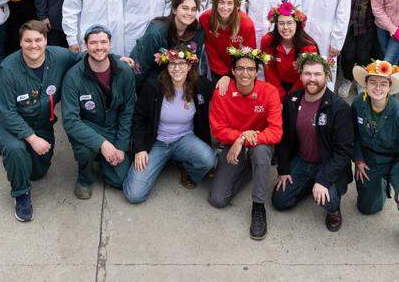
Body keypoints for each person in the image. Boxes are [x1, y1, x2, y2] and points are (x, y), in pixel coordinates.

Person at [0, 21, 84, 222]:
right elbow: (7, 113)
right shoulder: (7, 68)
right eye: (28, 40)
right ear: (20, 43)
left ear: (46, 41)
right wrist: (32, 139)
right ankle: (21, 195)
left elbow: (89, 57)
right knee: (16, 150)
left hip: (40, 119)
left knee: (37, 172)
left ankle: (2, 144)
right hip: (8, 118)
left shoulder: (58, 56)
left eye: (38, 40)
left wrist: (117, 60)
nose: (34, 45)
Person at [123, 45, 217, 203]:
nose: (177, 68)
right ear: (166, 66)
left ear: (189, 66)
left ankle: (186, 167)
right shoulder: (153, 86)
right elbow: (138, 118)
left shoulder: (200, 85)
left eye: (182, 63)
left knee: (208, 160)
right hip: (157, 142)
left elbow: (224, 92)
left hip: (185, 139)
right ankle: (160, 162)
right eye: (172, 63)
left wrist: (227, 79)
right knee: (134, 195)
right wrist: (139, 149)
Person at [208, 45, 283, 240]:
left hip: (259, 144)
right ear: (232, 71)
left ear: (257, 72)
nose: (245, 73)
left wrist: (246, 138)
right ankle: (253, 169)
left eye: (250, 69)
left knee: (260, 153)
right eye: (240, 68)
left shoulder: (269, 91)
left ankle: (258, 206)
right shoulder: (222, 92)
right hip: (233, 144)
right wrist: (239, 138)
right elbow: (218, 130)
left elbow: (276, 131)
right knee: (217, 200)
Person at [272, 54, 353, 231]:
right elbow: (283, 137)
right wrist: (284, 168)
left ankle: (334, 210)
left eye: (317, 74)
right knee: (280, 201)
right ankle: (308, 183)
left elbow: (344, 152)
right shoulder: (292, 100)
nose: (312, 79)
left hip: (327, 163)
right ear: (300, 75)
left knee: (327, 200)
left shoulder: (339, 108)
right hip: (302, 160)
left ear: (326, 75)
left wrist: (323, 180)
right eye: (307, 74)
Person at [350, 60, 399, 257]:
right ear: (366, 85)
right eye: (373, 82)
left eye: (383, 84)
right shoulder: (358, 103)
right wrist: (358, 159)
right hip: (370, 160)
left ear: (391, 88)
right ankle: (380, 189)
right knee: (366, 208)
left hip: (396, 160)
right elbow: (353, 136)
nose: (378, 88)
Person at [60, 25, 136, 199]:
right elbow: (71, 121)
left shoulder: (124, 71)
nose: (99, 47)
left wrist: (121, 146)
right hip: (89, 127)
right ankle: (84, 178)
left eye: (103, 42)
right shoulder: (73, 77)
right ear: (86, 45)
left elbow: (128, 110)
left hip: (114, 126)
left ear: (110, 44)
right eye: (93, 43)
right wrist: (103, 144)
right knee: (85, 150)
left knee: (120, 180)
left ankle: (104, 158)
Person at [129, 0, 206, 84]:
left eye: (193, 9)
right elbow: (140, 65)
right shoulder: (156, 32)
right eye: (185, 8)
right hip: (153, 79)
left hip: (180, 80)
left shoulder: (197, 31)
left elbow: (193, 64)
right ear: (174, 9)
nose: (189, 13)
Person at [259, 3, 319, 99]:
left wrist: (291, 97)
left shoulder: (308, 47)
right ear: (276, 24)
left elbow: (306, 76)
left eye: (290, 23)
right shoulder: (268, 41)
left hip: (301, 87)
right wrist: (280, 96)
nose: (285, 27)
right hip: (276, 86)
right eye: (281, 23)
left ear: (297, 24)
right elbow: (269, 71)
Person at [199, 0, 257, 78]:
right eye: (221, 2)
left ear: (236, 6)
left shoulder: (246, 24)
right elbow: (210, 48)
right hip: (217, 69)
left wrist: (235, 72)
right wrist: (223, 73)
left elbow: (249, 54)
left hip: (240, 71)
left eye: (230, 3)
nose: (225, 7)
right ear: (215, 3)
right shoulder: (205, 18)